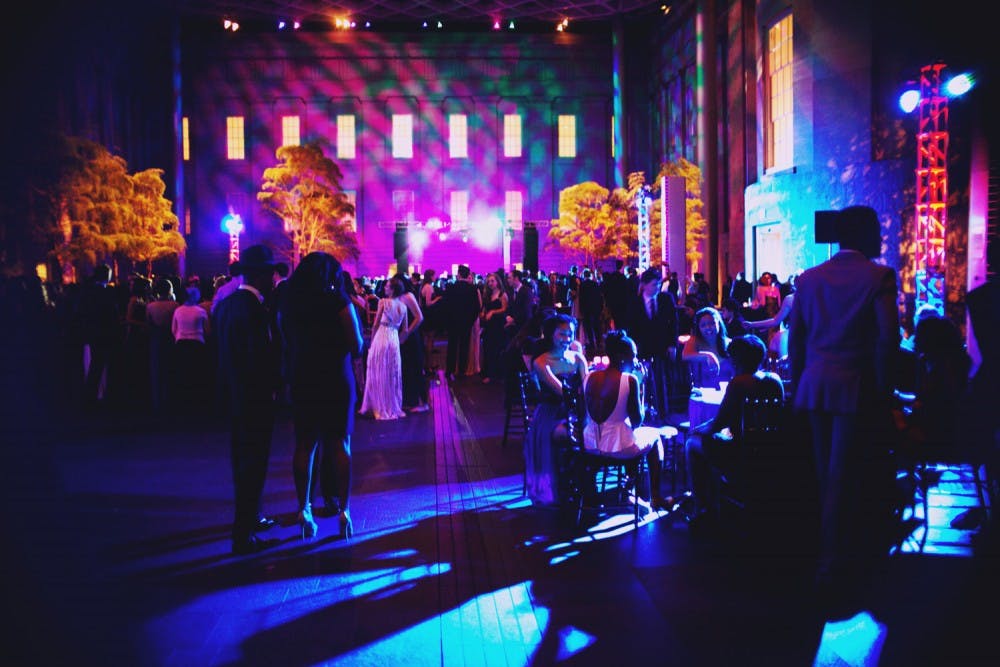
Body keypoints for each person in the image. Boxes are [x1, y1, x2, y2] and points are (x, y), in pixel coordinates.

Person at [788, 205, 900, 598]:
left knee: (825, 473)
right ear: (867, 234)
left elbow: (796, 340)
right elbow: (888, 339)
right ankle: (833, 560)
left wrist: (796, 385)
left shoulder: (808, 278)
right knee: (843, 474)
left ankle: (826, 553)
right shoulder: (879, 276)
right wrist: (886, 389)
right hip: (855, 384)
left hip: (814, 383)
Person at [277, 252, 364, 540]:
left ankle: (304, 509)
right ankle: (344, 511)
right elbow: (356, 345)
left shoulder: (290, 303)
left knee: (305, 444)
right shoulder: (338, 301)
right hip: (335, 377)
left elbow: (284, 339)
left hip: (303, 376)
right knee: (340, 443)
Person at [212, 244, 281, 555]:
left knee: (242, 460)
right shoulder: (254, 310)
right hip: (254, 397)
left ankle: (251, 519)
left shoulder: (226, 306)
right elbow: (259, 358)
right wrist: (273, 387)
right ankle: (244, 534)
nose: (274, 280)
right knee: (253, 463)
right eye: (271, 274)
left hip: (233, 394)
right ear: (261, 275)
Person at [683, 334, 785, 528]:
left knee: (691, 443)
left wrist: (697, 430)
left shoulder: (739, 382)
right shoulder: (775, 380)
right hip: (770, 452)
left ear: (738, 359)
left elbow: (718, 424)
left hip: (740, 453)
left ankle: (702, 507)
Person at [582, 330, 670, 510]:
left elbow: (584, 414)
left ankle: (629, 488)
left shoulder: (588, 377)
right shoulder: (629, 380)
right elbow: (637, 421)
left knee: (631, 435)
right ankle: (655, 496)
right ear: (621, 357)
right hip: (619, 449)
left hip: (590, 445)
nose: (636, 360)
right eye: (633, 355)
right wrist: (641, 388)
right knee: (654, 437)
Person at [524, 313, 589, 506]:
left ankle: (585, 485)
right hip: (551, 415)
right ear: (551, 334)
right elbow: (564, 394)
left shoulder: (578, 358)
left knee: (594, 432)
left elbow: (586, 389)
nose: (567, 339)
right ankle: (571, 484)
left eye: (570, 334)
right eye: (562, 334)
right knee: (576, 436)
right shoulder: (541, 362)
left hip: (577, 412)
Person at [626, 267, 680, 424]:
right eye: (653, 285)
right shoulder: (634, 303)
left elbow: (674, 323)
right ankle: (644, 413)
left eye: (658, 284)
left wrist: (673, 344)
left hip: (662, 347)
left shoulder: (666, 299)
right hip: (643, 348)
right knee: (643, 381)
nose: (657, 288)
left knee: (662, 381)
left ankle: (663, 413)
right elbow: (631, 327)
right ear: (644, 285)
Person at [359, 276, 409, 420]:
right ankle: (391, 405)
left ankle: (378, 405)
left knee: (378, 371)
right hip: (394, 339)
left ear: (392, 289)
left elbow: (375, 324)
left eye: (387, 286)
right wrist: (398, 341)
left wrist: (372, 342)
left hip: (382, 336)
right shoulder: (403, 307)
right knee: (392, 373)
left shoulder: (383, 302)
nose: (385, 287)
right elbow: (405, 330)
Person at [170, 285, 210, 416]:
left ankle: (183, 403)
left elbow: (173, 329)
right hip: (197, 343)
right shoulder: (200, 311)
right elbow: (207, 330)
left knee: (183, 373)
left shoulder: (178, 310)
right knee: (197, 374)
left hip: (181, 343)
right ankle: (197, 402)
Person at [395, 273, 429, 412]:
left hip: (411, 336)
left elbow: (419, 317)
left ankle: (421, 402)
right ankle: (409, 400)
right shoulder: (396, 297)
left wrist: (407, 332)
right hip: (401, 336)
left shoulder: (408, 296)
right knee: (405, 369)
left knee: (415, 367)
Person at [442, 264, 481, 382]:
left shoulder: (450, 288)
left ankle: (450, 370)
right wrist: (470, 321)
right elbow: (476, 308)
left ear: (458, 275)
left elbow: (445, 306)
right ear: (468, 275)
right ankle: (462, 371)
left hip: (453, 323)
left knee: (452, 347)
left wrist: (447, 321)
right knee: (464, 347)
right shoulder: (472, 289)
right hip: (466, 323)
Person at [682, 306, 733, 389]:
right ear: (698, 328)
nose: (708, 328)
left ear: (719, 323)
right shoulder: (694, 341)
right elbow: (685, 355)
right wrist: (708, 355)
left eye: (712, 323)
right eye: (703, 325)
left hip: (727, 392)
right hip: (702, 392)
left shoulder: (730, 343)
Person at [480, 272, 509, 384]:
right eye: (489, 281)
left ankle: (494, 374)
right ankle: (488, 373)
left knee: (496, 349)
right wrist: (483, 313)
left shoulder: (502, 294)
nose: (490, 283)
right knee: (487, 348)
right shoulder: (488, 295)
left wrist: (493, 312)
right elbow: (485, 308)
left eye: (492, 281)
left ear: (497, 281)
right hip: (489, 325)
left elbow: (504, 309)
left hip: (498, 325)